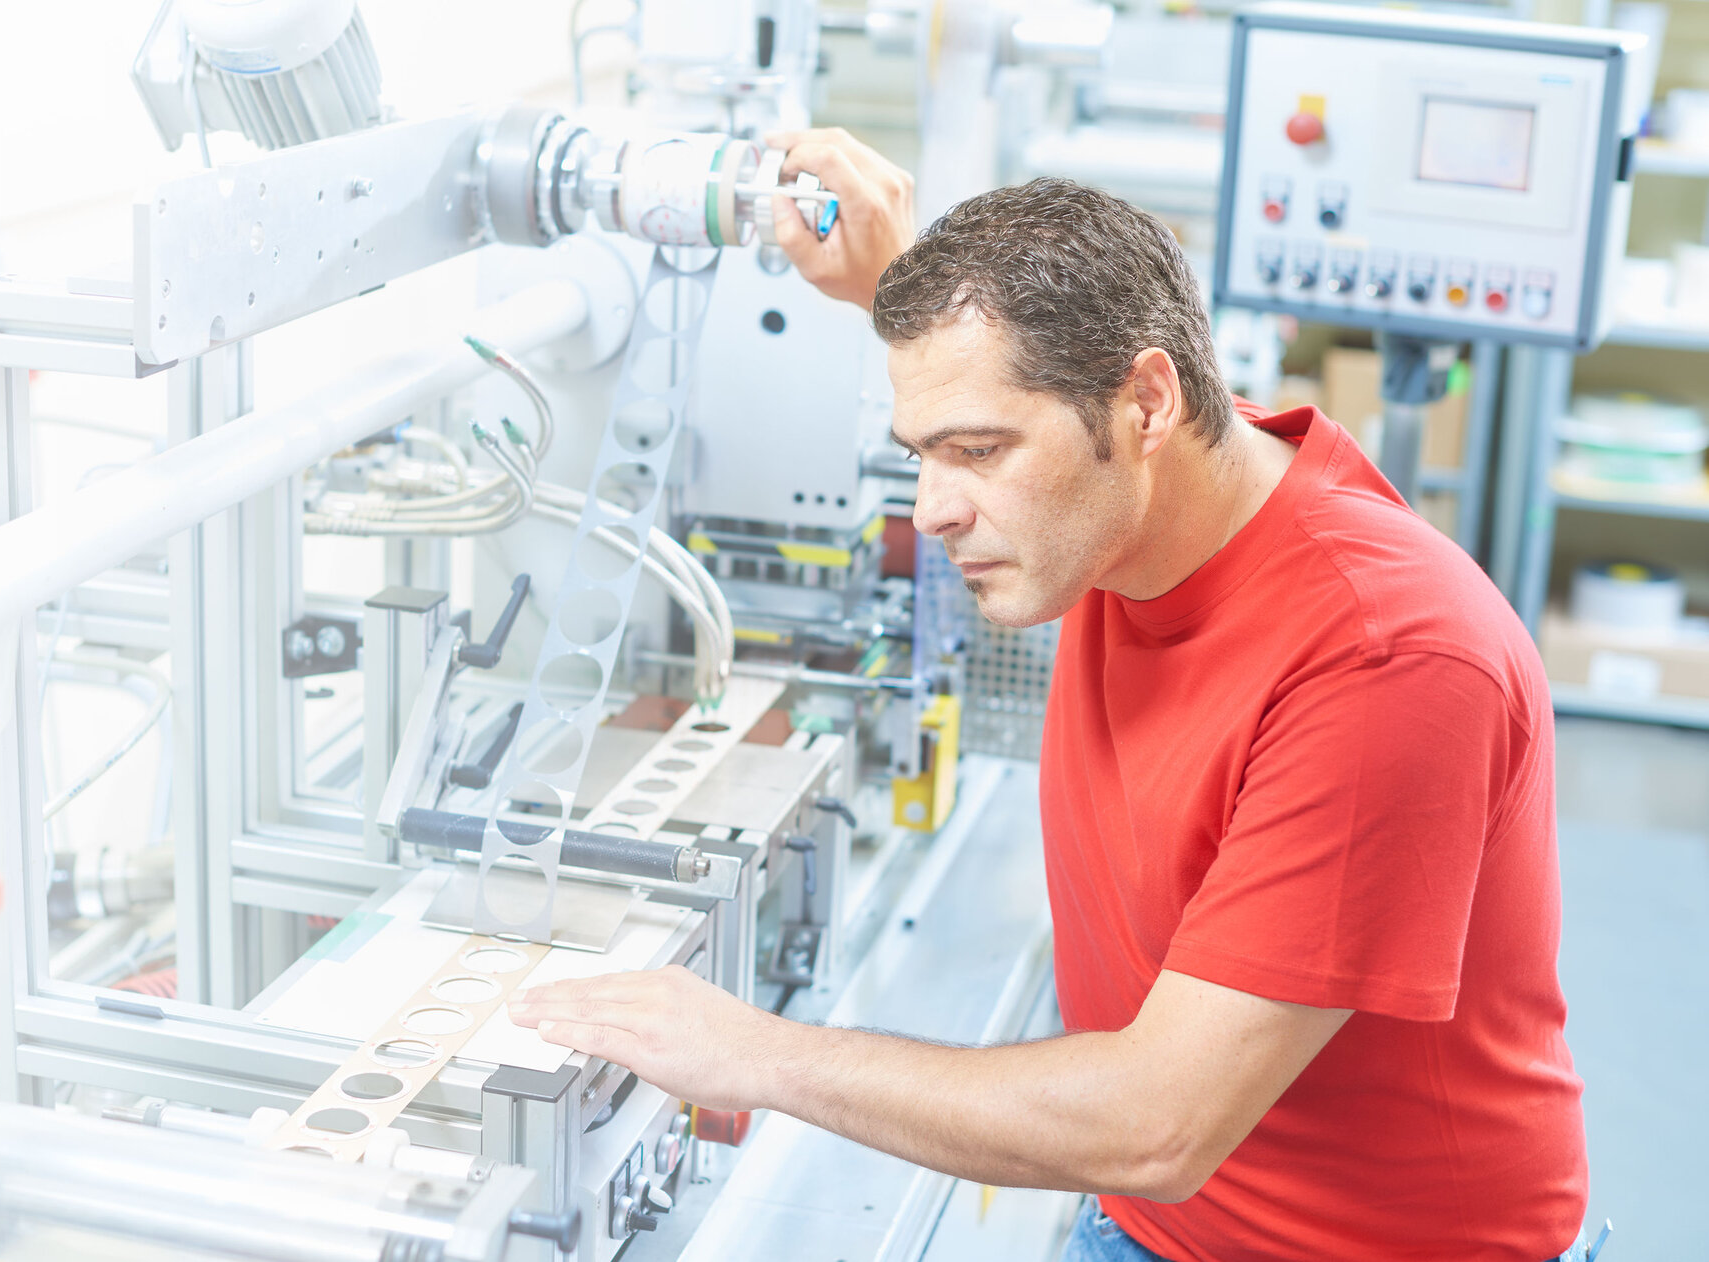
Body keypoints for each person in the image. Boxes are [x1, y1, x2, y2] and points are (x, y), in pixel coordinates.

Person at [508, 130, 1590, 1262]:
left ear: (1147, 406)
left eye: (973, 450)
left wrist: (755, 1053)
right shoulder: (1145, 482)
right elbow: (1032, 378)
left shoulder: (1386, 659)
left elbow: (1154, 1124)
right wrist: (889, 269)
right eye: (925, 449)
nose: (931, 509)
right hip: (1150, 1216)